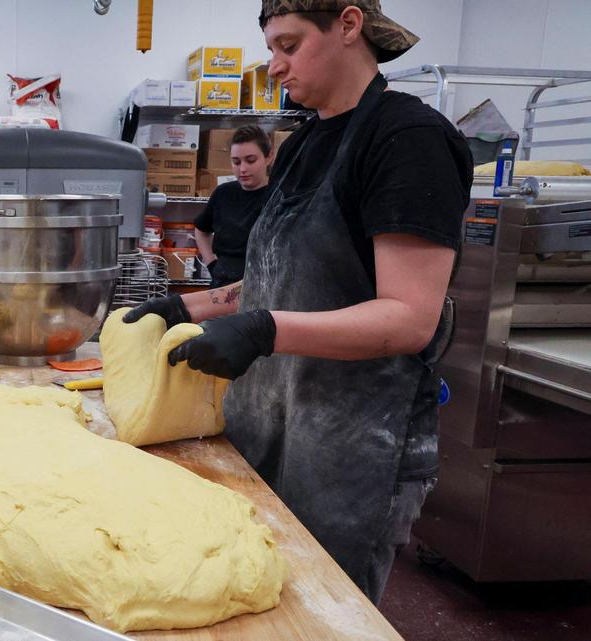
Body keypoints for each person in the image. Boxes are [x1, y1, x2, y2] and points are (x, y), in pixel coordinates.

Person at [123, 0, 472, 603]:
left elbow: (410, 318)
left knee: (323, 615)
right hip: (269, 428)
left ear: (348, 24)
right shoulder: (305, 141)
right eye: (270, 49)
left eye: (289, 45)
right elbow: (278, 278)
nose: (274, 67)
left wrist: (263, 332)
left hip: (353, 449)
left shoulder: (407, 140)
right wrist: (189, 310)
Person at [194, 125, 275, 288]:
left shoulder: (278, 197)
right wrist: (211, 263)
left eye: (251, 160)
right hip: (222, 283)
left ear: (269, 157)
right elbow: (201, 230)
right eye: (236, 162)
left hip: (263, 287)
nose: (243, 169)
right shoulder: (223, 193)